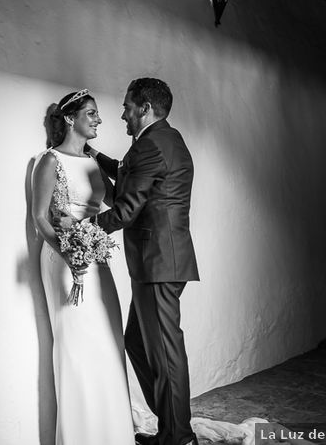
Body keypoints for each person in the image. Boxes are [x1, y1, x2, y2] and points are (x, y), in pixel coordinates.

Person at [64, 78, 199, 445]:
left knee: (166, 353)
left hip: (158, 264)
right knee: (139, 343)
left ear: (144, 108)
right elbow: (130, 174)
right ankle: (172, 425)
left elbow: (124, 210)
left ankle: (179, 437)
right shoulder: (164, 139)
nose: (121, 115)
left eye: (126, 107)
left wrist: (80, 229)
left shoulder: (151, 146)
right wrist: (94, 156)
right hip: (162, 262)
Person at [31, 88, 136, 445]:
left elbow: (118, 201)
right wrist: (69, 254)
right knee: (76, 344)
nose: (99, 119)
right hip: (63, 261)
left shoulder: (92, 163)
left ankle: (113, 435)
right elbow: (40, 218)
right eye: (91, 113)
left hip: (95, 256)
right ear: (70, 119)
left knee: (107, 340)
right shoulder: (49, 161)